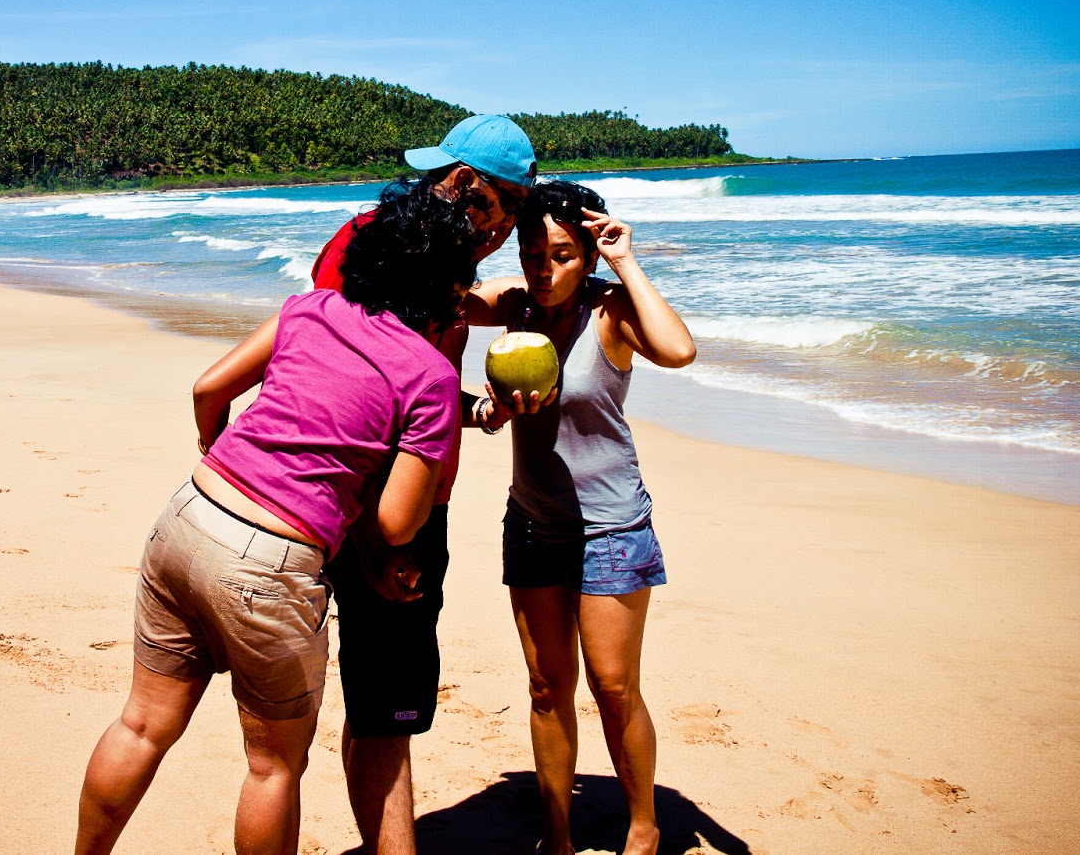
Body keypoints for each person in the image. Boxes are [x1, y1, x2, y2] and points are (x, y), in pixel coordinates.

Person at [74, 183, 483, 855]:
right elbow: (399, 520)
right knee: (272, 767)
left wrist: (215, 446)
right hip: (270, 563)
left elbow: (209, 388)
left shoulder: (311, 309)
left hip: (189, 515)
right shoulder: (430, 377)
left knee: (143, 725)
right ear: (450, 286)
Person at [310, 114, 536, 855]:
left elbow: (418, 377)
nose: (432, 185)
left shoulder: (442, 259)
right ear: (472, 193)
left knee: (388, 704)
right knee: (382, 703)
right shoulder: (370, 242)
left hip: (410, 504)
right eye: (445, 178)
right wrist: (372, 541)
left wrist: (476, 406)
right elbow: (337, 388)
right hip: (371, 505)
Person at [464, 179, 696, 855]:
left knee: (615, 687)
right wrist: (485, 410)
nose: (545, 268)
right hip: (533, 523)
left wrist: (624, 260)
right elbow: (437, 295)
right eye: (533, 252)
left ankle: (645, 827)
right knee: (545, 686)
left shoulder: (611, 312)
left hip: (610, 527)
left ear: (587, 255)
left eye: (563, 255)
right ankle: (558, 834)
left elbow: (679, 350)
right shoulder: (516, 306)